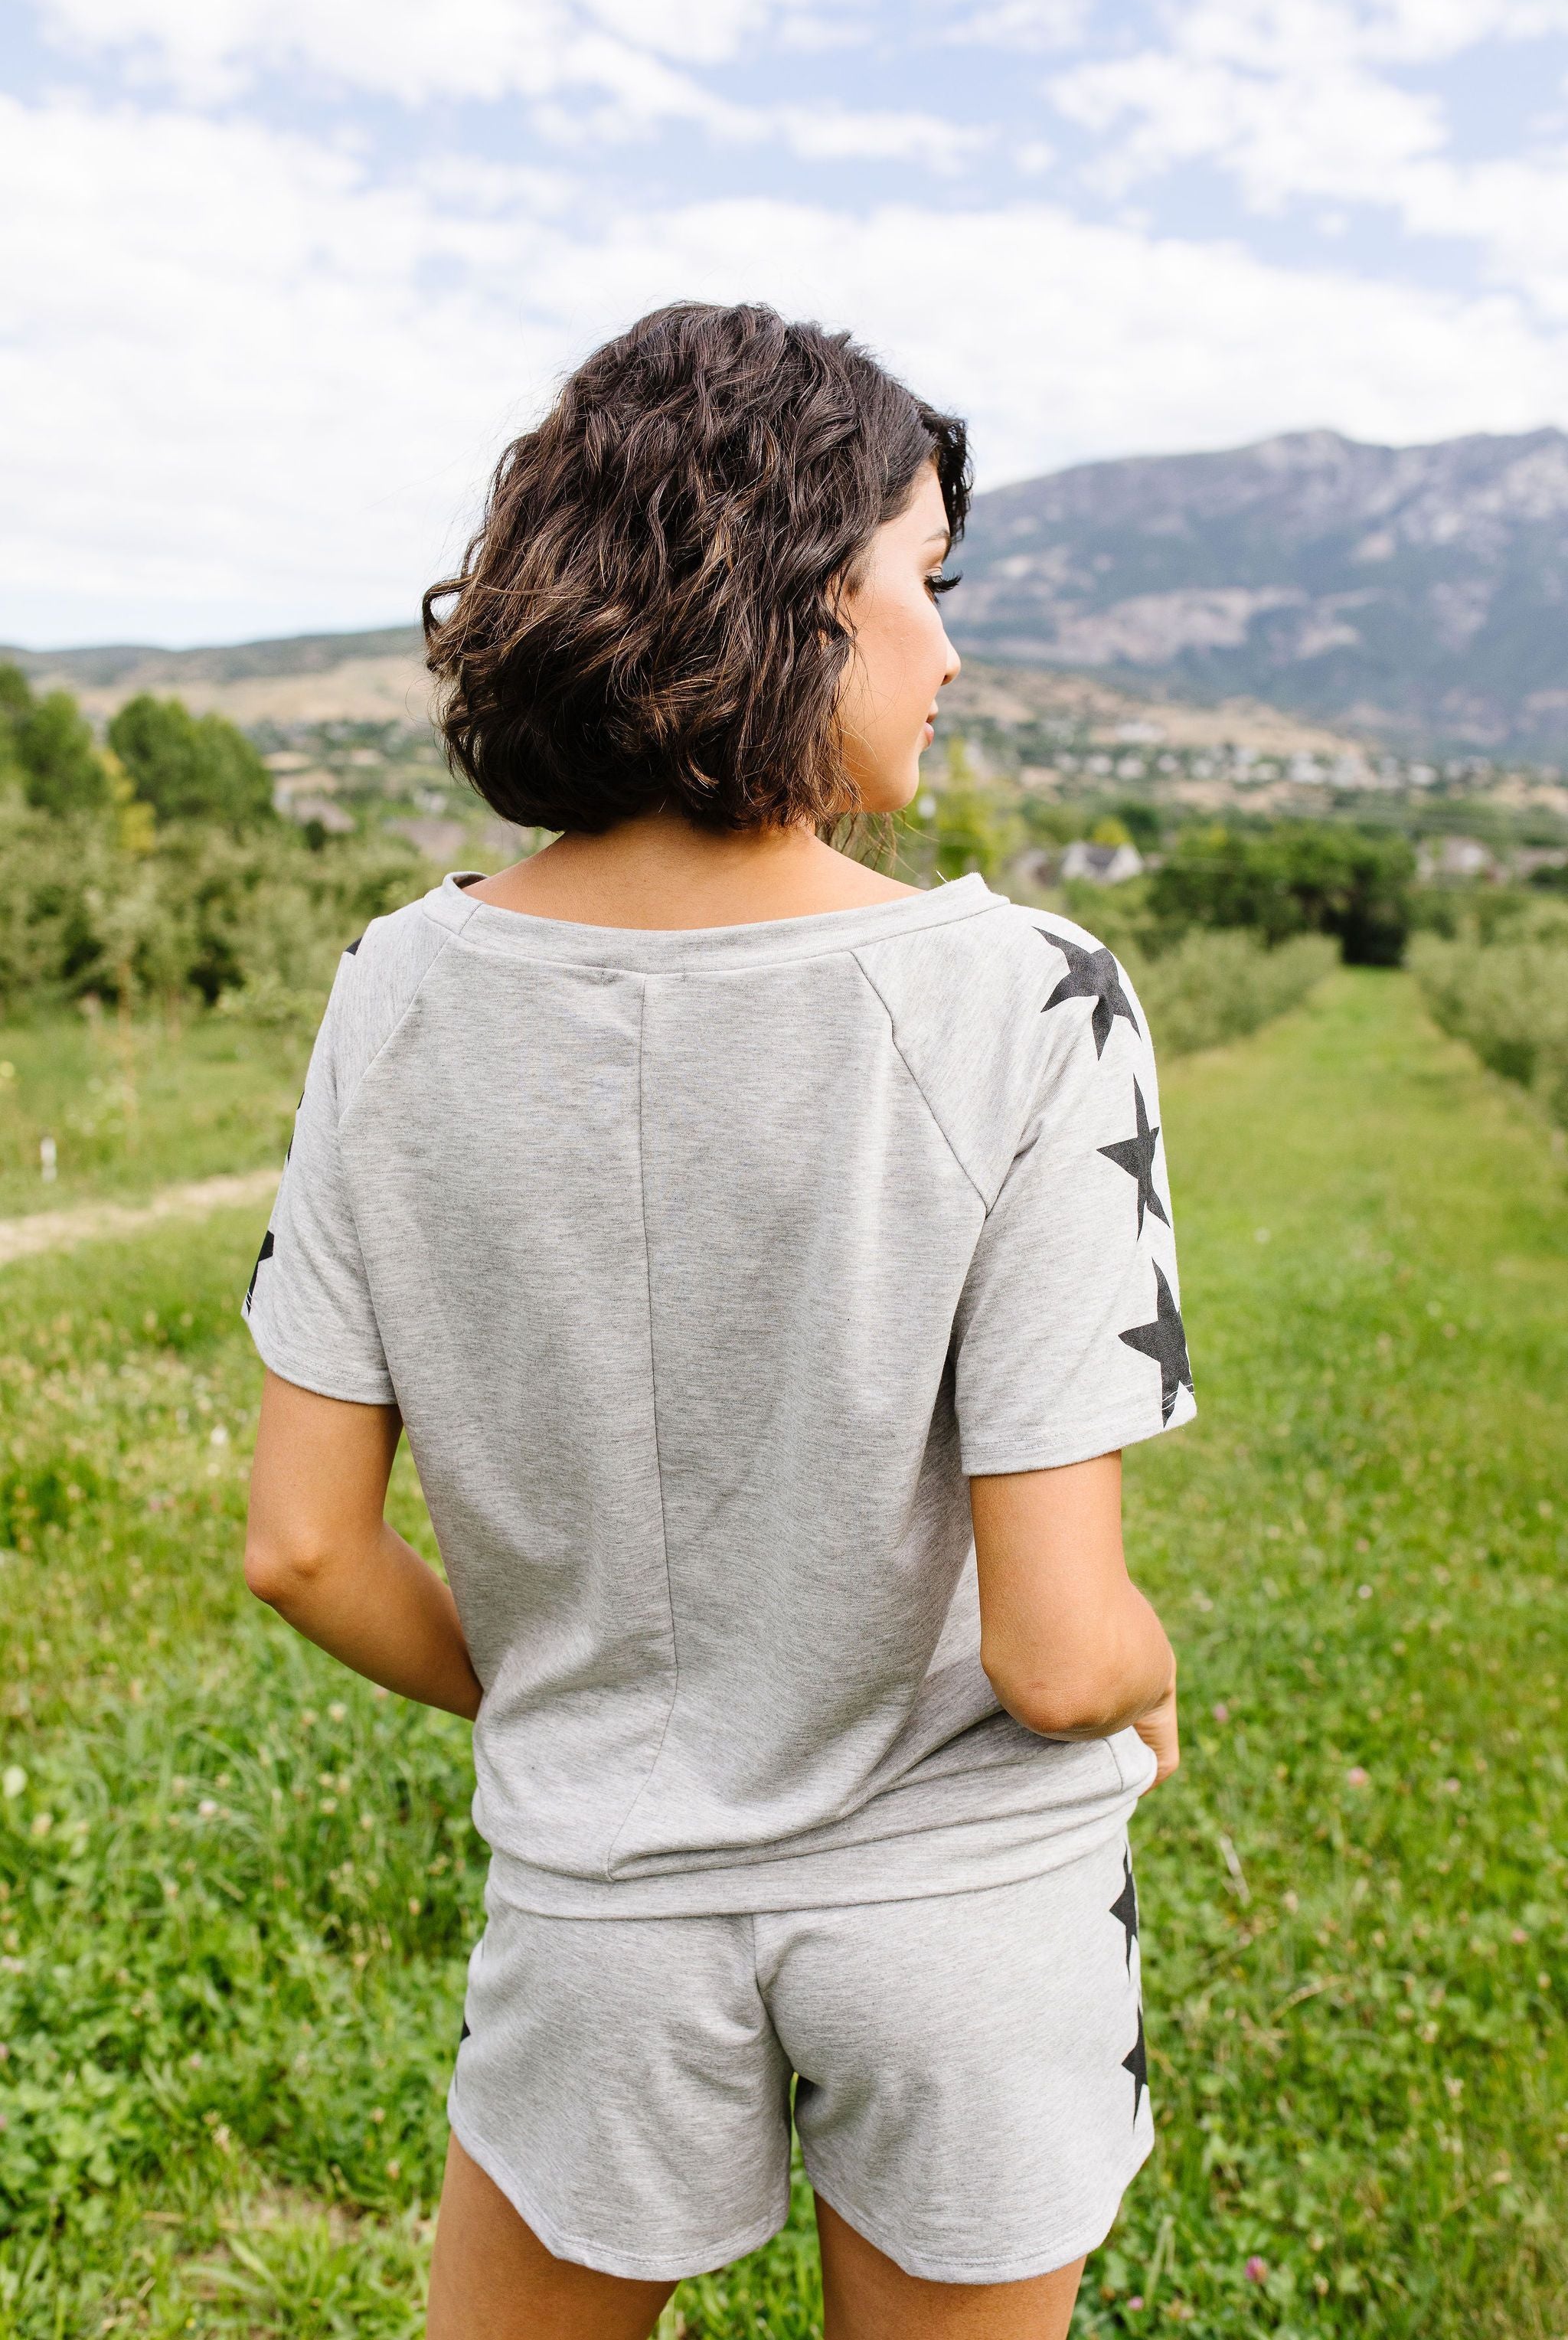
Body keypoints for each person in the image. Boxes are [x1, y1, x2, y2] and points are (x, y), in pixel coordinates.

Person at [241, 301, 1192, 2340]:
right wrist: (1148, 1665)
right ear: (789, 604)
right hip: (964, 1915)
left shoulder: (393, 1000)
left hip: (597, 1917)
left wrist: (598, 1712)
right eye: (920, 586)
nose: (951, 649)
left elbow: (305, 1548)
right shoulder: (1030, 1001)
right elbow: (1053, 1647)